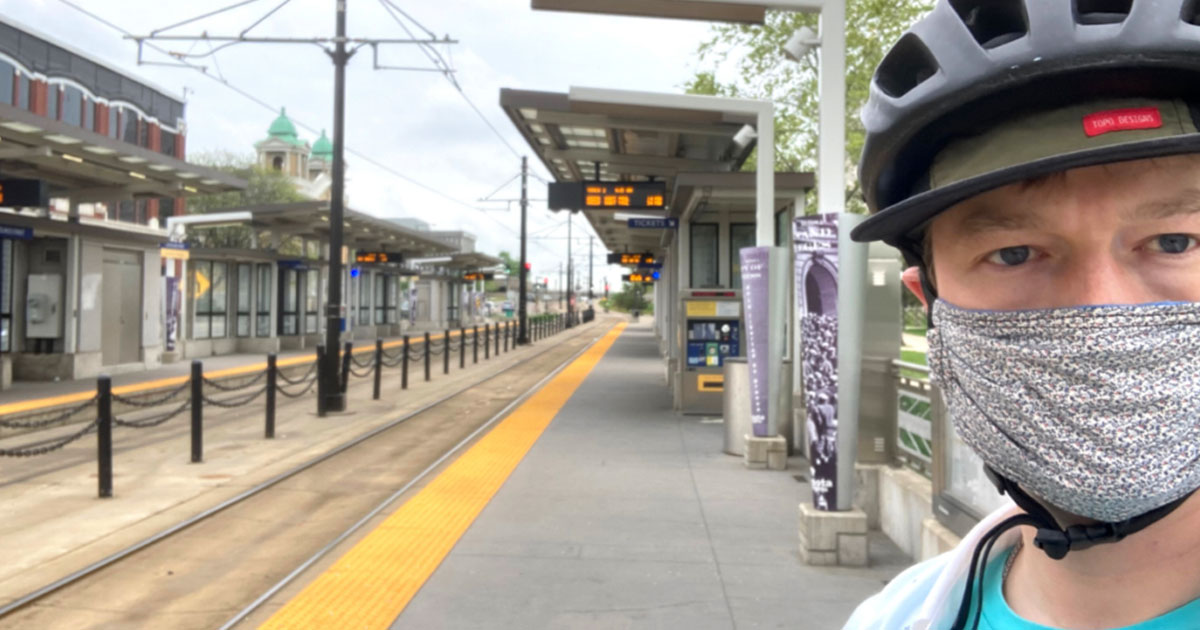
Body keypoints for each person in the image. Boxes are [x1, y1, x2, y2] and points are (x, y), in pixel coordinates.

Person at [845, 2, 1200, 629]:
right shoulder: (893, 619)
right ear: (933, 310)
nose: (1102, 316)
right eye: (1012, 254)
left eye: (1176, 242)